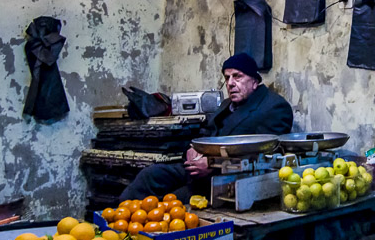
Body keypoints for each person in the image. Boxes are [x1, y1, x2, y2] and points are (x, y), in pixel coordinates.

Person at [117, 52, 293, 201]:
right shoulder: (225, 105)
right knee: (150, 175)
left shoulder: (274, 107)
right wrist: (192, 149)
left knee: (172, 202)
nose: (230, 83)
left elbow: (264, 154)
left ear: (254, 81)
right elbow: (203, 134)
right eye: (227, 77)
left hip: (227, 179)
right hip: (196, 170)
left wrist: (213, 164)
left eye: (237, 76)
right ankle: (112, 224)